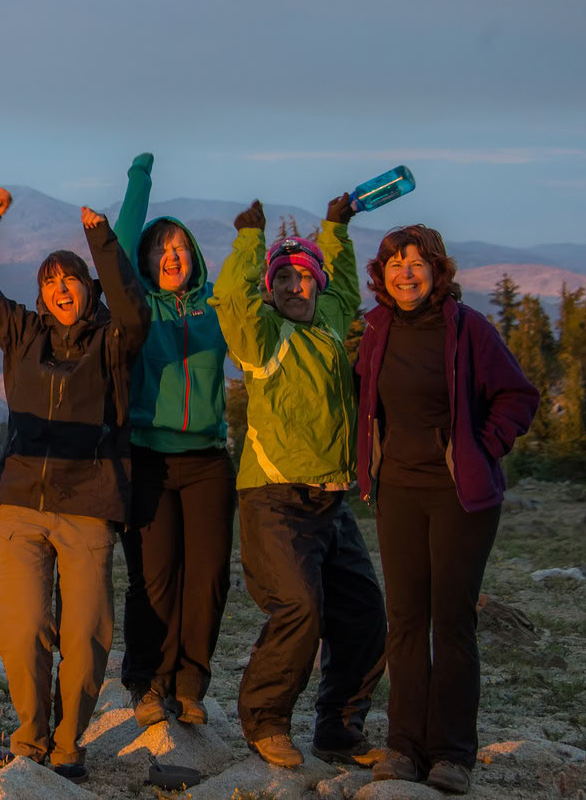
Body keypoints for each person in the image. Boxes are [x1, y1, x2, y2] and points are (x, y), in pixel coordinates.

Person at [0, 187, 151, 783]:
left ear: (89, 288)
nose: (60, 292)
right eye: (50, 282)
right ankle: (31, 736)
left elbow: (134, 309)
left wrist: (101, 240)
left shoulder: (114, 342)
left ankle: (69, 743)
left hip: (88, 507)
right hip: (23, 507)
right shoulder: (21, 333)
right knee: (21, 626)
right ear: (40, 292)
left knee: (85, 634)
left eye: (72, 281)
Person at [355, 226, 539, 794]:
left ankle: (453, 754)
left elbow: (519, 395)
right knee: (406, 621)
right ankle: (404, 747)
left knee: (452, 624)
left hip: (461, 495)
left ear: (437, 271)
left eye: (416, 263)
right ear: (382, 275)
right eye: (394, 264)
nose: (405, 273)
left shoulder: (467, 328)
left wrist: (483, 447)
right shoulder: (376, 329)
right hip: (399, 492)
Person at [209, 196, 387, 769]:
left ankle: (338, 731)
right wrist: (249, 241)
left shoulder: (333, 323)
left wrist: (336, 227)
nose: (292, 286)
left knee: (363, 616)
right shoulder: (263, 338)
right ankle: (266, 723)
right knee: (298, 608)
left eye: (302, 277)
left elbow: (344, 289)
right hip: (274, 497)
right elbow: (232, 300)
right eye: (280, 278)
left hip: (332, 499)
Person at [111, 151, 237, 729]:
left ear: (195, 257)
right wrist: (140, 181)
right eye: (160, 249)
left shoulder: (216, 310)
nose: (170, 256)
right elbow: (119, 243)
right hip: (149, 459)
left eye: (179, 247)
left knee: (208, 578)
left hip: (209, 461)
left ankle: (190, 684)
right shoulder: (139, 306)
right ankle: (147, 682)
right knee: (154, 579)